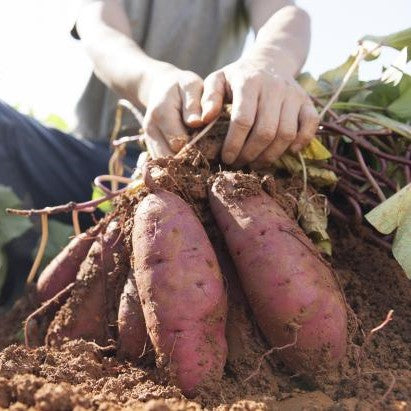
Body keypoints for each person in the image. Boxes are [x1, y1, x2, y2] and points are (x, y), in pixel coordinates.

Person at [0, 0, 318, 302]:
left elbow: (286, 15)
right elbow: (99, 29)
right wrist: (153, 82)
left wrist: (268, 63)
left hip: (198, 168)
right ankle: (18, 296)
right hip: (99, 166)